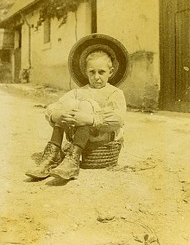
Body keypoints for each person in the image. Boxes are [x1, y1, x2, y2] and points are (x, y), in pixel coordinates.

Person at [25, 34, 128, 180]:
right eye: (92, 72)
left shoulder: (115, 93)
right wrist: (57, 115)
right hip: (79, 135)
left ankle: (73, 159)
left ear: (110, 72)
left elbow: (118, 119)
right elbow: (54, 106)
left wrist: (90, 119)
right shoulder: (80, 91)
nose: (96, 77)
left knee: (86, 104)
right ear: (86, 72)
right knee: (68, 104)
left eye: (101, 72)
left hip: (102, 136)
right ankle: (53, 153)